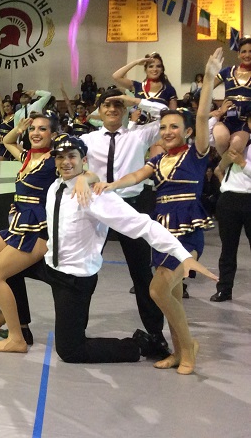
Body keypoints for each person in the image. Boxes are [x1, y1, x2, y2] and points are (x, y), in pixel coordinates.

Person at [13, 135, 216, 365]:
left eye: (72, 157)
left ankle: (138, 346)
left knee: (70, 351)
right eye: (60, 157)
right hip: (51, 266)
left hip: (74, 278)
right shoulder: (54, 186)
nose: (65, 162)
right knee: (7, 269)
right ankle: (18, 329)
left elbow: (143, 224)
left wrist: (183, 255)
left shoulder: (95, 196)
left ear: (84, 159)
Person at [94, 48, 221, 374]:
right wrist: (110, 186)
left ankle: (189, 348)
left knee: (156, 289)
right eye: (163, 128)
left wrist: (208, 80)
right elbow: (136, 176)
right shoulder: (158, 160)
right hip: (162, 233)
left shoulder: (196, 153)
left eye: (174, 127)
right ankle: (178, 351)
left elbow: (203, 113)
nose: (167, 131)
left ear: (188, 131)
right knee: (173, 295)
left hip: (186, 234)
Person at [0, 113, 97, 352]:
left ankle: (17, 338)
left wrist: (85, 180)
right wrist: (18, 129)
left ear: (53, 134)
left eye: (42, 129)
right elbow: (7, 142)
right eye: (32, 129)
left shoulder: (54, 160)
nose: (36, 133)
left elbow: (87, 171)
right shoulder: (28, 156)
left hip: (38, 232)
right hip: (18, 225)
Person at [77, 88, 172, 358]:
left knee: (142, 273)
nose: (112, 109)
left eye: (118, 105)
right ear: (98, 109)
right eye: (106, 105)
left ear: (126, 108)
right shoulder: (87, 139)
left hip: (132, 204)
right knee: (85, 269)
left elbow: (168, 114)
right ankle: (76, 328)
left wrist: (137, 101)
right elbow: (67, 159)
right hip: (97, 206)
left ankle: (155, 334)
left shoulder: (139, 134)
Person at [209, 117, 251, 302]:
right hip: (229, 199)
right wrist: (217, 115)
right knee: (227, 248)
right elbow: (209, 132)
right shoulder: (231, 143)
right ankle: (224, 289)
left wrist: (243, 164)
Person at [210, 37, 251, 155]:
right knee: (222, 140)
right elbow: (203, 91)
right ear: (238, 54)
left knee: (235, 148)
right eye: (244, 51)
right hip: (226, 119)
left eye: (250, 51)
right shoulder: (227, 71)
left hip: (244, 122)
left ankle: (220, 170)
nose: (247, 55)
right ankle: (225, 169)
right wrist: (214, 111)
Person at [112, 53, 178, 109]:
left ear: (162, 69)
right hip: (138, 124)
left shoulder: (169, 89)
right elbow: (116, 76)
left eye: (158, 66)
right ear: (145, 69)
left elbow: (172, 115)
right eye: (151, 66)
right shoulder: (138, 86)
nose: (155, 69)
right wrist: (136, 62)